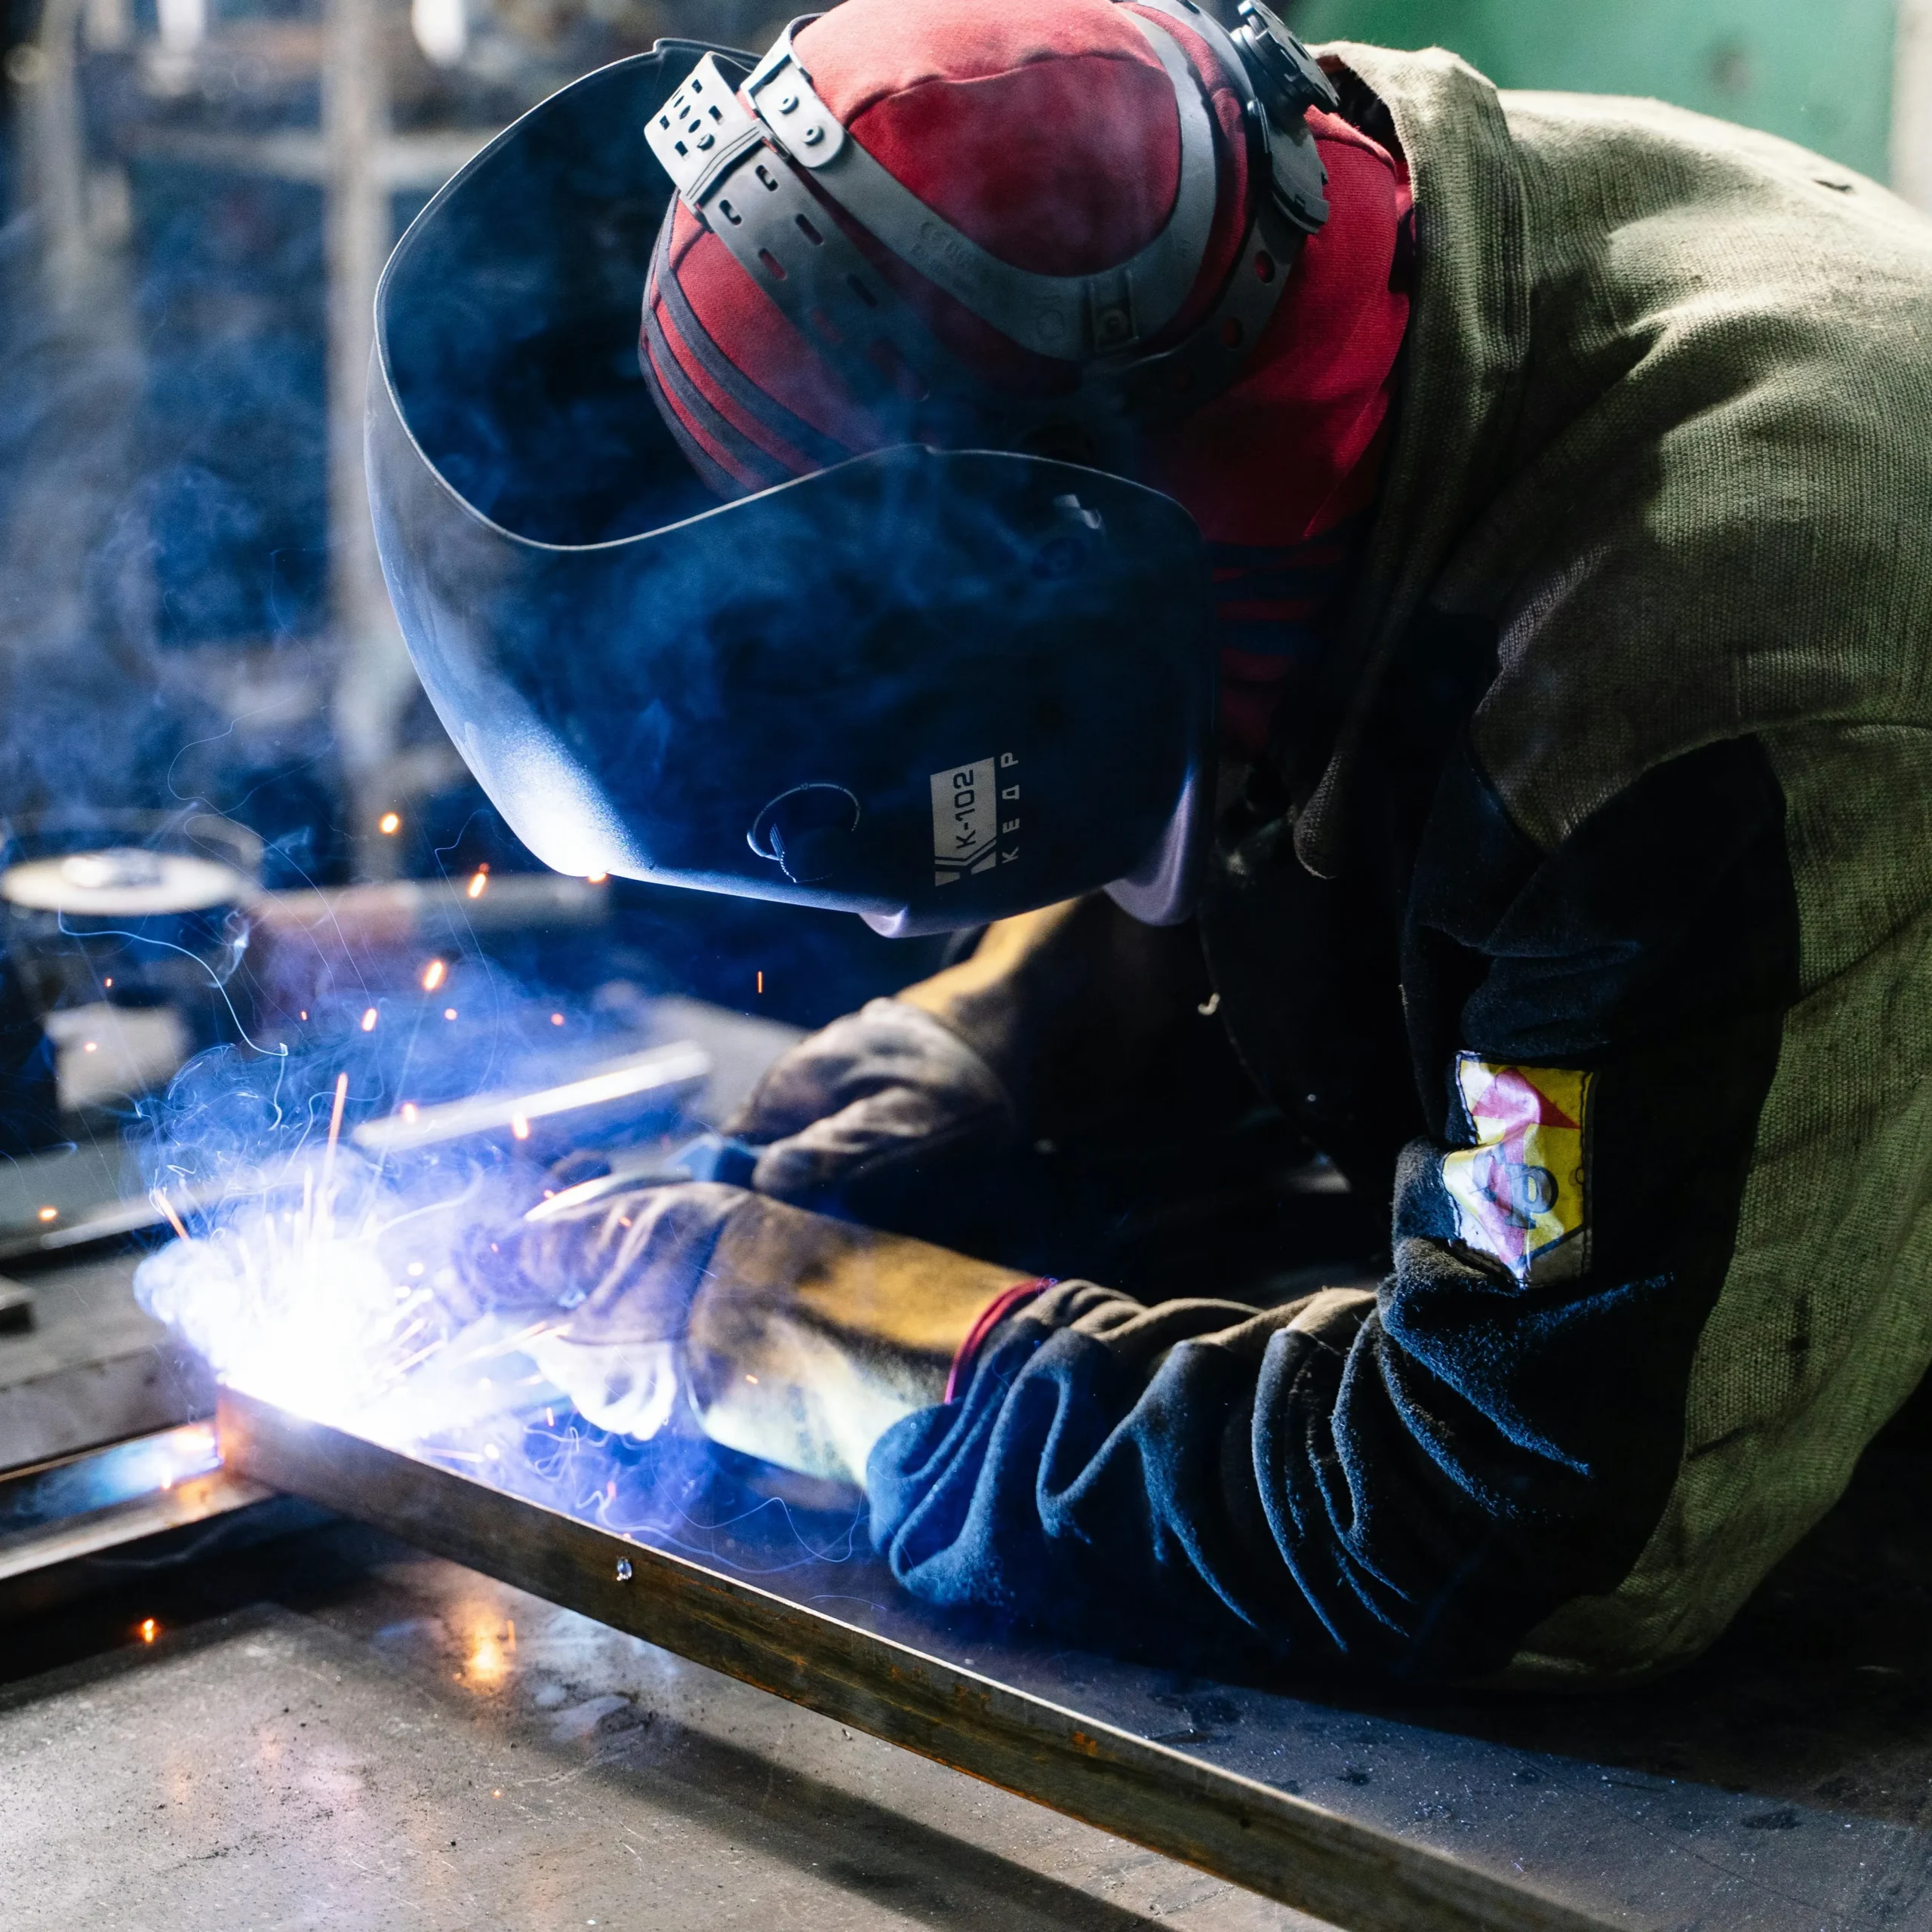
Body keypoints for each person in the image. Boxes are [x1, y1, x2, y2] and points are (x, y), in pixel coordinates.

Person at [436, 0, 1932, 1685]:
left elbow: (1502, 1523)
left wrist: (826, 1331)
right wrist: (1009, 1037)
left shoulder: (1694, 702)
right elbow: (1312, 711)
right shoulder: (1357, 257)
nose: (865, 927)